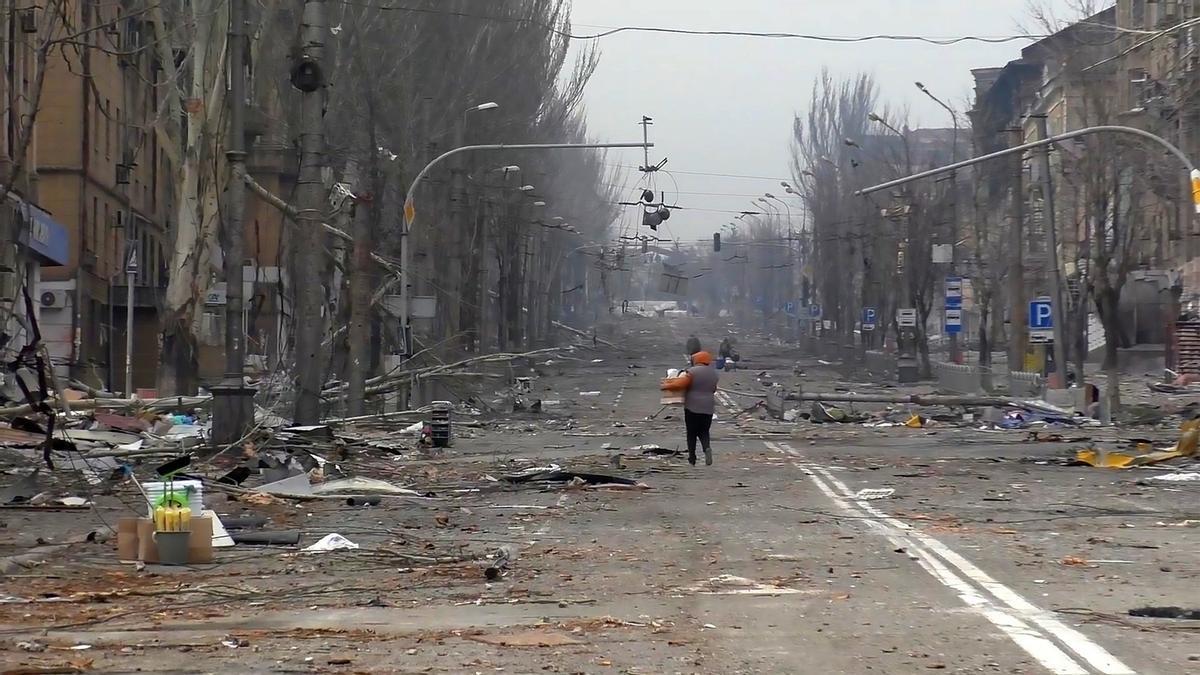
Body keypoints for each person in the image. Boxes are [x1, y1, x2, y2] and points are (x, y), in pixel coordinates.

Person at [683, 351, 719, 466]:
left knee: (691, 433)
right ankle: (706, 448)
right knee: (704, 431)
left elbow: (683, 386)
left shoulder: (690, 372)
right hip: (708, 407)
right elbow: (713, 389)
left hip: (692, 406)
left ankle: (692, 457)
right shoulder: (713, 373)